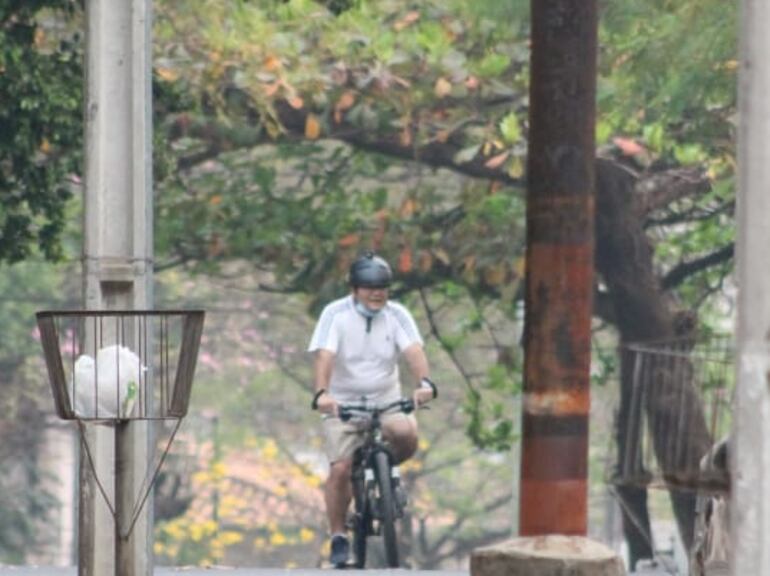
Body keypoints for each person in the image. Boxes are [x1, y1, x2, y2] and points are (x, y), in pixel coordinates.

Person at [308, 251, 437, 568]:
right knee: (340, 469)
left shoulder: (397, 314)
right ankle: (339, 536)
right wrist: (322, 394)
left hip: (386, 398)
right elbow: (325, 355)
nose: (377, 293)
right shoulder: (335, 314)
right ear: (354, 288)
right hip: (343, 403)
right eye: (369, 287)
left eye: (382, 287)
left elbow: (413, 350)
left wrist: (425, 384)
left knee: (405, 434)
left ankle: (386, 477)